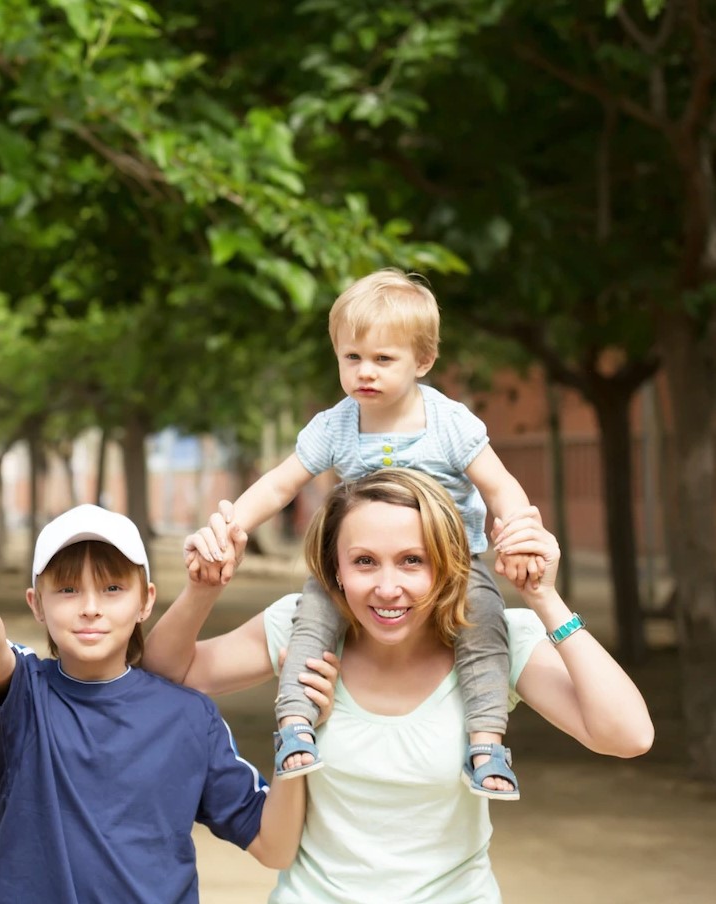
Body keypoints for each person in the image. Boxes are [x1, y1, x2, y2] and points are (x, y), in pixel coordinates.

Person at [147, 468, 653, 903]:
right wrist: (202, 589)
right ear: (336, 570)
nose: (388, 587)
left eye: (413, 560)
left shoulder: (495, 643)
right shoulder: (300, 631)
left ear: (448, 565)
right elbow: (169, 672)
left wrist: (546, 601)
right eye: (364, 561)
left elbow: (627, 736)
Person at [185, 268, 538, 797]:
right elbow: (280, 485)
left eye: (382, 359)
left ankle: (486, 744)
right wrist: (229, 526)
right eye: (352, 358)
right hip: (362, 560)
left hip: (452, 564)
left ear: (422, 361)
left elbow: (500, 485)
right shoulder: (335, 425)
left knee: (484, 629)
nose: (364, 372)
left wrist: (517, 529)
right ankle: (295, 728)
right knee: (313, 618)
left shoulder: (449, 422)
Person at [0, 502, 337, 904]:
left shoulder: (189, 716)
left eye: (113, 588)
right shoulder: (23, 693)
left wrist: (295, 729)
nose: (90, 608)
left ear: (146, 600)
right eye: (67, 589)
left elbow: (273, 845)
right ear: (36, 604)